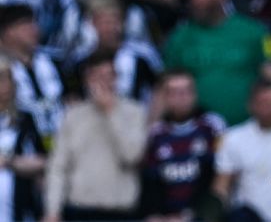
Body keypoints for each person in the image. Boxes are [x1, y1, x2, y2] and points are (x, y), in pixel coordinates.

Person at [163, 0, 271, 126]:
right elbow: (164, 87)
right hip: (198, 132)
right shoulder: (179, 38)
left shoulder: (255, 31)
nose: (194, 0)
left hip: (248, 129)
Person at [43, 53, 148, 222]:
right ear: (87, 80)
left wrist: (110, 113)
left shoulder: (134, 112)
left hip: (121, 212)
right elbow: (58, 167)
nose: (104, 82)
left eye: (109, 76)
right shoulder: (73, 116)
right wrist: (52, 211)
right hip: (79, 211)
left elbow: (132, 156)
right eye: (98, 77)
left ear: (116, 78)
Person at [214, 76, 271, 222]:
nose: (268, 108)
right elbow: (222, 186)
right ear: (250, 105)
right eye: (263, 103)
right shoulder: (233, 137)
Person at [142, 69, 226, 221]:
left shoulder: (213, 126)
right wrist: (155, 214)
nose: (181, 97)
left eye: (186, 91)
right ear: (165, 97)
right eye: (174, 92)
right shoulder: (155, 133)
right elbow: (151, 180)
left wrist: (190, 215)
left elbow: (219, 179)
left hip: (202, 215)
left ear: (195, 94)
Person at [0, 4, 66, 144]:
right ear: (7, 31)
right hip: (15, 141)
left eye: (33, 23)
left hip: (60, 136)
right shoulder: (3, 68)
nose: (34, 29)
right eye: (25, 25)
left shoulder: (55, 62)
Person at [0, 55, 46, 222]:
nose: (3, 85)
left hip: (18, 209)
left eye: (5, 78)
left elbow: (44, 160)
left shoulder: (26, 119)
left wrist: (9, 162)